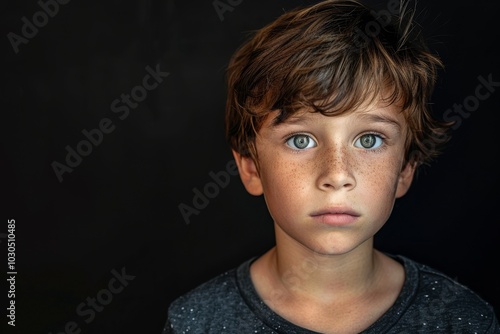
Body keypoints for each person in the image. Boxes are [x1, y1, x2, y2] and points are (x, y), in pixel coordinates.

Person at [163, 0, 500, 333]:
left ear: (405, 169)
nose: (337, 175)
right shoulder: (197, 322)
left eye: (369, 140)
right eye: (300, 140)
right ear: (251, 168)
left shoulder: (461, 321)